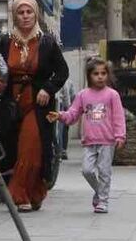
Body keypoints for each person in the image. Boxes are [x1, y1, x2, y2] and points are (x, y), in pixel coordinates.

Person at [0, 0, 69, 212]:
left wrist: (48, 89)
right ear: (14, 16)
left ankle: (19, 194)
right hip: (11, 104)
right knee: (14, 148)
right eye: (20, 13)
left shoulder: (47, 43)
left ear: (35, 15)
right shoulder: (4, 42)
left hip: (37, 104)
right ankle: (35, 193)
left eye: (29, 12)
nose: (25, 17)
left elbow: (62, 72)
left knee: (31, 147)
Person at [47, 57, 126, 213]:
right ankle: (98, 192)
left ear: (108, 75)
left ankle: (103, 201)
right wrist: (61, 115)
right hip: (89, 141)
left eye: (103, 73)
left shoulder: (112, 95)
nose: (100, 76)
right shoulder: (83, 95)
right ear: (89, 75)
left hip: (107, 141)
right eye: (96, 73)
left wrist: (120, 136)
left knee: (104, 172)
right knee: (87, 170)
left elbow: (118, 116)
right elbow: (73, 114)